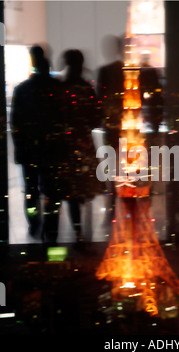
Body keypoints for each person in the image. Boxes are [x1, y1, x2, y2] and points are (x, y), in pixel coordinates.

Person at [11, 45, 65, 243]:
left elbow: (16, 124)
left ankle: (35, 224)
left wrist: (19, 150)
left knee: (31, 191)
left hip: (29, 150)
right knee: (52, 191)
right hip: (51, 150)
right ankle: (51, 229)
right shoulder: (56, 88)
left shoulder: (22, 90)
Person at [60, 49, 102, 243]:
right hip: (84, 143)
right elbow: (97, 118)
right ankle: (86, 232)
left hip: (67, 145)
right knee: (85, 189)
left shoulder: (61, 89)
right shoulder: (86, 89)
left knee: (71, 190)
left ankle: (77, 231)